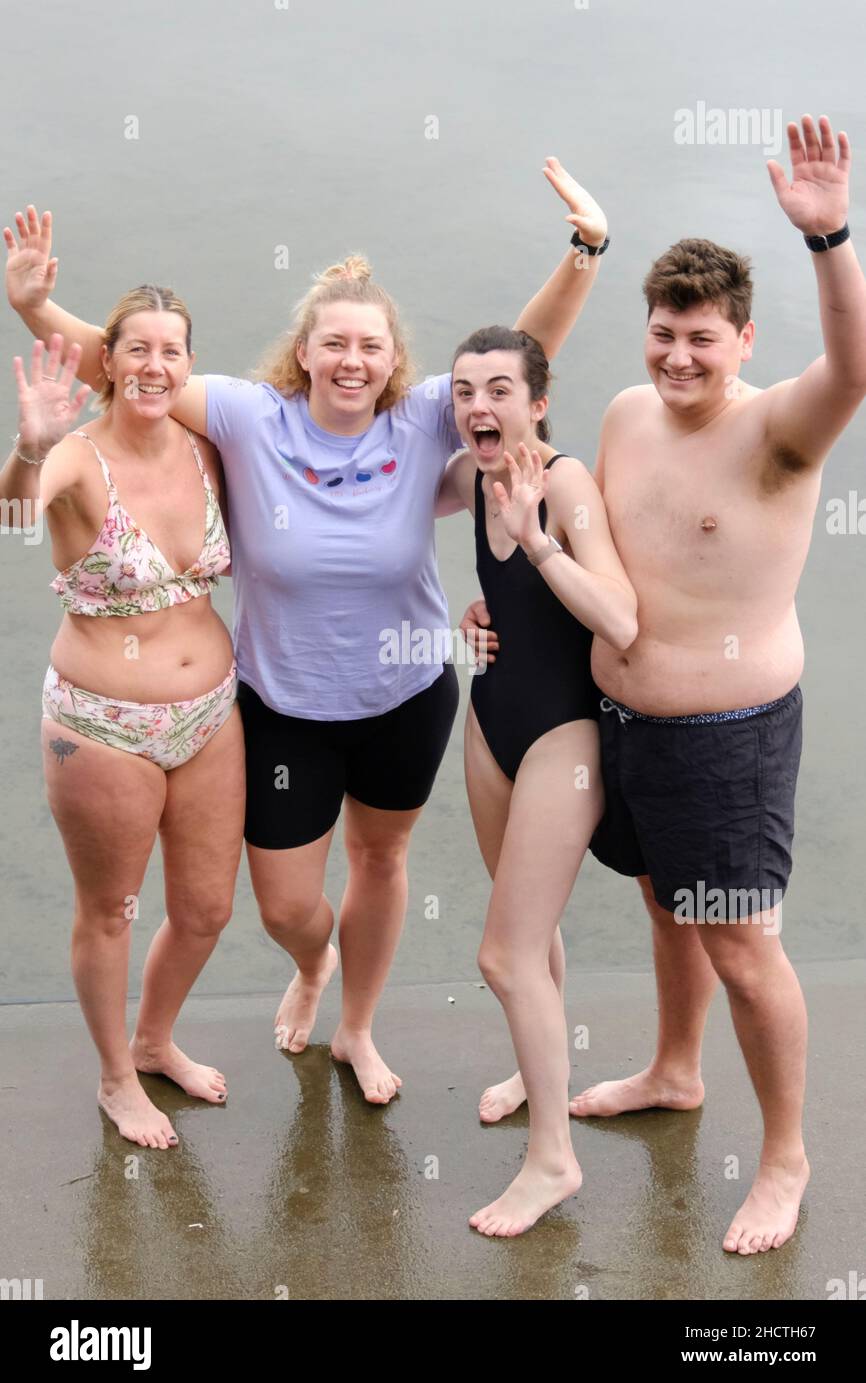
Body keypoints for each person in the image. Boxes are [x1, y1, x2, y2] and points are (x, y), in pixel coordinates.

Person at [6, 159, 609, 1105]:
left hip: (407, 692)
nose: (353, 360)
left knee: (381, 860)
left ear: (394, 358)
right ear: (306, 350)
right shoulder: (250, 420)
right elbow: (129, 370)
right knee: (289, 905)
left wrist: (585, 250)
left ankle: (357, 1031)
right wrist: (37, 312)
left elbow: (518, 358)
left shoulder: (421, 423)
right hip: (280, 702)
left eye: (370, 345)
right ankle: (310, 965)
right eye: (334, 343)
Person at [462, 114, 866, 1254]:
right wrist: (511, 607)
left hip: (727, 731)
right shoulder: (627, 414)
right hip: (621, 716)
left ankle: (782, 1155)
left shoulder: (780, 431)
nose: (674, 358)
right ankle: (674, 1070)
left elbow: (855, 363)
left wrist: (828, 236)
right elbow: (603, 561)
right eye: (659, 334)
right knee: (661, 905)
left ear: (741, 339)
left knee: (739, 942)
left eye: (698, 338)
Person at [0, 293, 246, 1149]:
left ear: (188, 365)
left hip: (212, 714)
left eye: (171, 351)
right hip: (102, 725)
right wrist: (27, 447)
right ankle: (115, 1077)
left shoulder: (208, 445)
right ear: (105, 361)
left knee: (208, 909)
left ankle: (155, 1036)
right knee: (111, 909)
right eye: (135, 349)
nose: (153, 365)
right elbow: (15, 512)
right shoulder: (73, 457)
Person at [435, 322, 636, 1236]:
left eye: (500, 389)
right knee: (531, 932)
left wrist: (540, 543)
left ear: (537, 401)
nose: (480, 405)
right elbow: (506, 602)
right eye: (465, 390)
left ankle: (553, 1160)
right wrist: (479, 618)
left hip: (566, 733)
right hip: (493, 718)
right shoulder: (478, 477)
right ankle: (536, 1066)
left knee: (501, 955)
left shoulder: (564, 482)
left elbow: (622, 621)